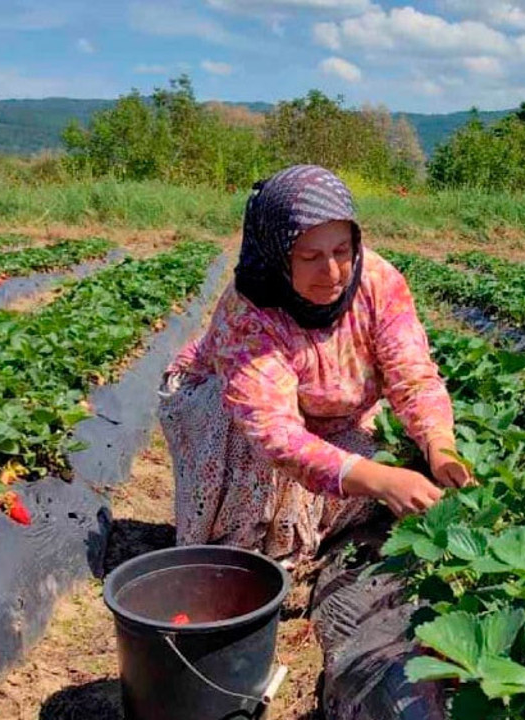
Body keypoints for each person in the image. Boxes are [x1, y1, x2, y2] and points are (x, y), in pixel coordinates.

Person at [160, 165, 468, 563]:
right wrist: (379, 480)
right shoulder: (251, 309)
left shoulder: (377, 282)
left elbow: (413, 376)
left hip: (331, 414)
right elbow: (272, 432)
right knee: (242, 437)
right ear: (278, 255)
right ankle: (235, 556)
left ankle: (296, 537)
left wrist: (440, 445)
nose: (333, 272)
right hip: (229, 410)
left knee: (399, 463)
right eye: (310, 256)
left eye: (342, 250)